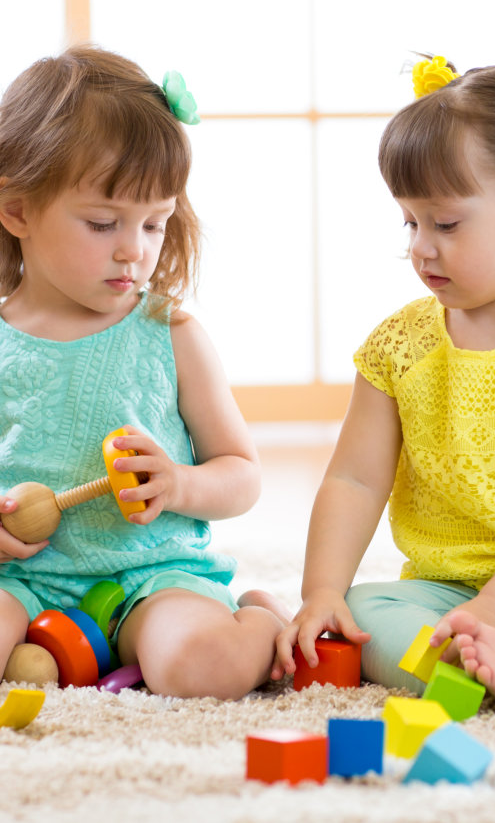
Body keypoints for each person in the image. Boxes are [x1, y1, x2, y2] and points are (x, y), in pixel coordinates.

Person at [272, 56, 495, 704]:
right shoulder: (400, 347)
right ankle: (493, 673)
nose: (421, 246)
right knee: (364, 612)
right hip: (448, 597)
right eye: (410, 222)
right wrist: (322, 593)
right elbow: (353, 479)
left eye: (444, 224)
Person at [0, 46, 289, 700]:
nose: (136, 249)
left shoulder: (171, 335)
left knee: (202, 670)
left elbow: (241, 474)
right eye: (104, 223)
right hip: (22, 579)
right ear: (17, 212)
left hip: (149, 577)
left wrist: (181, 484)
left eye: (155, 223)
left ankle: (260, 616)